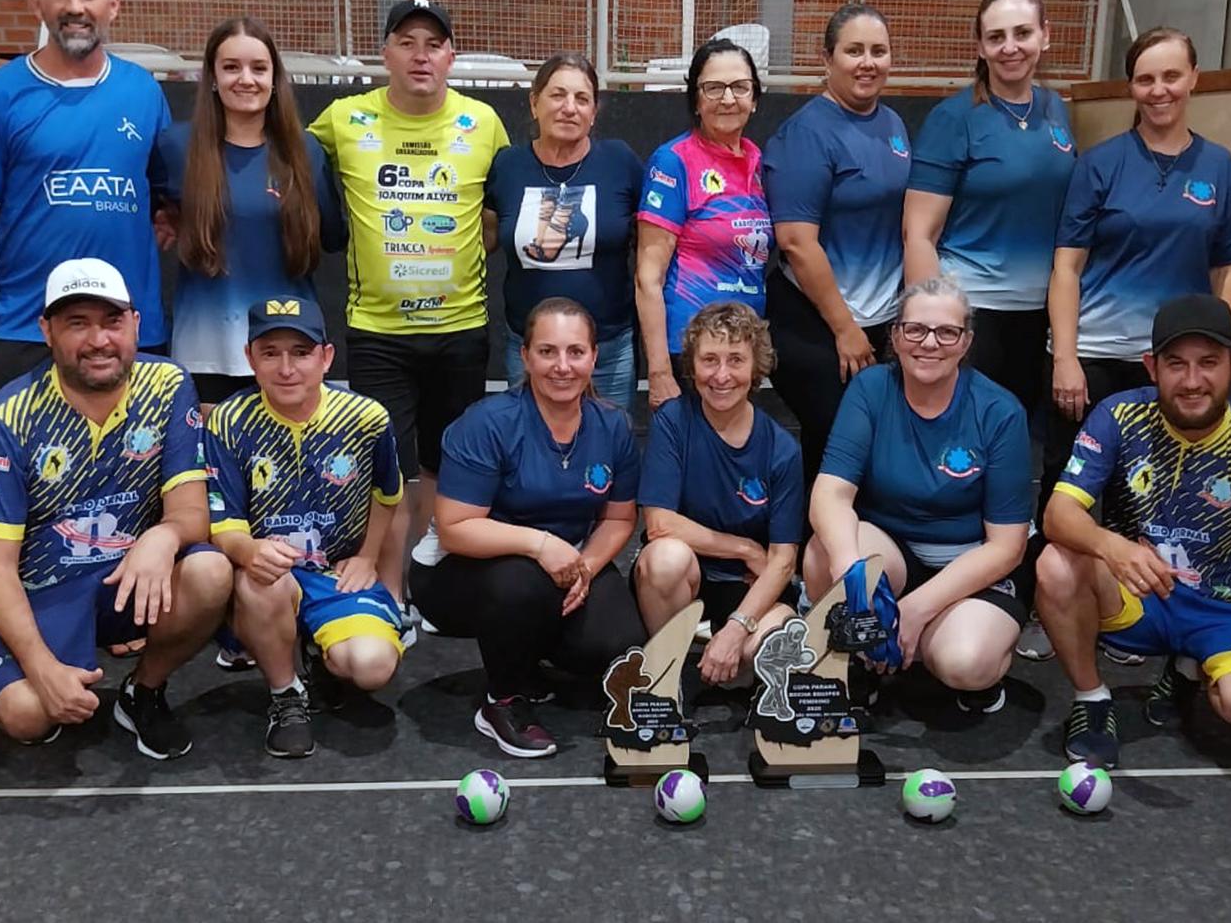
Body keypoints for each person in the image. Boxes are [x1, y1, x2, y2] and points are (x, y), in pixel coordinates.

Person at [0, 258, 232, 757]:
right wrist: (41, 668)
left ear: (135, 324)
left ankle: (143, 691)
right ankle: (53, 674)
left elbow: (192, 512)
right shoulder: (6, 418)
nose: (98, 340)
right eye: (77, 323)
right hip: (43, 591)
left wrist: (161, 537)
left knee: (210, 572)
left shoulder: (167, 385)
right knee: (26, 715)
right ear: (47, 331)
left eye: (112, 321)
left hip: (128, 577)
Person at [1037, 295, 1231, 768]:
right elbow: (1057, 514)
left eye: (1209, 363)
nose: (1192, 381)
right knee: (1055, 564)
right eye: (1176, 364)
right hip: (1137, 592)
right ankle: (1091, 701)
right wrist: (1112, 546)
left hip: (1226, 609)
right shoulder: (1118, 416)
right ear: (1151, 367)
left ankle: (1191, 669)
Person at [307, 0, 509, 598]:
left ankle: (431, 585)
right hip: (377, 332)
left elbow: (498, 212)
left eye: (433, 44)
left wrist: (467, 250)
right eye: (406, 42)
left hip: (462, 327)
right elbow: (283, 159)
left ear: (452, 55)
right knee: (388, 471)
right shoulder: (344, 120)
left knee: (449, 469)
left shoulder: (484, 123)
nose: (421, 56)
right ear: (385, 53)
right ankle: (392, 591)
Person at [410, 297, 645, 758]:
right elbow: (456, 527)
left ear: (595, 357)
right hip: (461, 570)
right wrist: (541, 544)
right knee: (522, 583)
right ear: (524, 356)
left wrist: (587, 569)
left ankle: (527, 656)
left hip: (563, 565)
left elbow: (619, 518)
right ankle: (503, 699)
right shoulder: (488, 423)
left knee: (615, 644)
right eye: (547, 351)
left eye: (576, 352)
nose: (562, 366)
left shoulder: (613, 426)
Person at [0, 0, 173, 403]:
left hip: (131, 334)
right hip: (27, 331)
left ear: (113, 5)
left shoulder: (144, 91)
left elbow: (165, 197)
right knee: (27, 474)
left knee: (132, 472)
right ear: (36, 3)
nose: (74, 7)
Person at [1042, 27, 1231, 518]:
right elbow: (1066, 267)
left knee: (1153, 493)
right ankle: (1050, 589)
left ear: (1194, 77)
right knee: (1068, 489)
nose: (1159, 91)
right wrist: (1065, 358)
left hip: (1173, 362)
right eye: (1145, 79)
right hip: (1095, 357)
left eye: (1171, 76)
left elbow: (1227, 269)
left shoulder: (1219, 166)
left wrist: (1219, 354)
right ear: (1131, 87)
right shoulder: (1099, 164)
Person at [804, 275, 1032, 713]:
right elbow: (830, 494)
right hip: (895, 552)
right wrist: (850, 576)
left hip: (971, 563)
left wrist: (914, 609)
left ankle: (940, 650)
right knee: (823, 553)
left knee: (964, 661)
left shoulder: (1000, 411)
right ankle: (860, 658)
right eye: (916, 329)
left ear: (966, 342)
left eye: (947, 332)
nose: (930, 343)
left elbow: (1008, 547)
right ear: (895, 335)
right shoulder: (870, 388)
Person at [205, 297, 406, 758]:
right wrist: (248, 550)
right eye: (270, 352)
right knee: (262, 582)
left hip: (334, 573)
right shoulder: (229, 424)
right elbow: (224, 522)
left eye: (301, 351)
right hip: (269, 581)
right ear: (249, 358)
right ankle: (286, 694)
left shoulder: (366, 418)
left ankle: (319, 653)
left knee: (372, 666)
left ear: (326, 357)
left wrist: (369, 556)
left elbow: (388, 494)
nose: (286, 367)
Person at [903, 0, 1077, 416]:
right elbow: (919, 233)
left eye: (1022, 33)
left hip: (1040, 312)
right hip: (973, 310)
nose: (1010, 47)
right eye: (996, 37)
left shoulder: (1055, 109)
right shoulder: (954, 119)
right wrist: (934, 325)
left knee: (1014, 438)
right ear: (979, 47)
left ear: (1045, 35)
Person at [764, 3, 911, 507]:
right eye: (854, 51)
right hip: (819, 326)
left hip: (880, 322)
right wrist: (845, 329)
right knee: (835, 453)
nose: (867, 62)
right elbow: (796, 243)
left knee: (872, 452)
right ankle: (811, 569)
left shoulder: (892, 124)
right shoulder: (805, 134)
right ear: (827, 59)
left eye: (878, 50)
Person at [158, 16, 346, 406]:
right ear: (211, 76)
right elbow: (150, 219)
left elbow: (332, 238)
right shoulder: (175, 148)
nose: (246, 79)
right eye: (231, 67)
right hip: (205, 351)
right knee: (211, 466)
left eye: (259, 68)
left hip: (287, 354)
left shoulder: (306, 153)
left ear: (276, 78)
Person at [634, 303, 801, 684]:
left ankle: (728, 652)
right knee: (664, 558)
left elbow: (782, 562)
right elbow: (659, 524)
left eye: (735, 360)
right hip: (688, 576)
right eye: (709, 359)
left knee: (772, 649)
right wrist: (744, 548)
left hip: (749, 586)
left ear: (756, 366)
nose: (721, 375)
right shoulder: (673, 421)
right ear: (692, 367)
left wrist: (736, 629)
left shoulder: (781, 448)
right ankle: (665, 677)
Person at [484, 52, 642, 408]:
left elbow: (649, 243)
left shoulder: (620, 162)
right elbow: (485, 237)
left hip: (609, 350)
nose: (569, 107)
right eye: (557, 95)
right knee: (531, 451)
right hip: (530, 352)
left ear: (594, 111)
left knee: (611, 452)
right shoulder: (507, 166)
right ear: (534, 102)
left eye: (582, 98)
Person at [636, 38, 769, 411]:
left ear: (754, 98)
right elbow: (648, 276)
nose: (728, 99)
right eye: (713, 88)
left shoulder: (759, 160)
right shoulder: (673, 162)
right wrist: (660, 370)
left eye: (740, 87)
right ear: (696, 99)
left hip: (743, 349)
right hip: (692, 354)